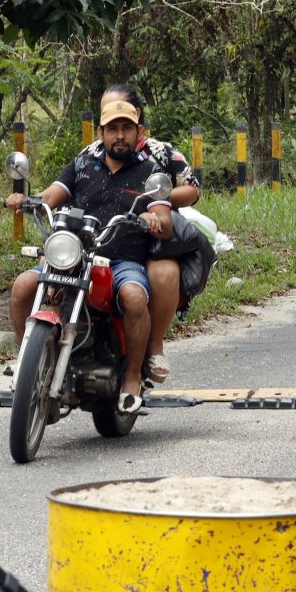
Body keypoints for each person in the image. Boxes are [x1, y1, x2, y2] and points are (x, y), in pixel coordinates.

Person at [4, 98, 174, 413]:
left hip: (121, 259)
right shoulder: (82, 165)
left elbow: (163, 218)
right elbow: (50, 196)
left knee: (135, 298)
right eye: (112, 129)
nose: (119, 135)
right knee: (22, 287)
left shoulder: (149, 172)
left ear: (138, 133)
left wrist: (155, 220)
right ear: (100, 133)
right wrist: (26, 199)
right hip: (73, 252)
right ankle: (28, 360)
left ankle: (133, 376)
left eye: (126, 128)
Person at [97, 85, 202, 384]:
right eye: (108, 118)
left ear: (137, 119)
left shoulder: (161, 151)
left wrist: (156, 200)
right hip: (107, 235)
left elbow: (192, 188)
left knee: (164, 272)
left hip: (152, 233)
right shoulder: (91, 154)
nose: (117, 129)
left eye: (122, 117)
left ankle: (153, 345)